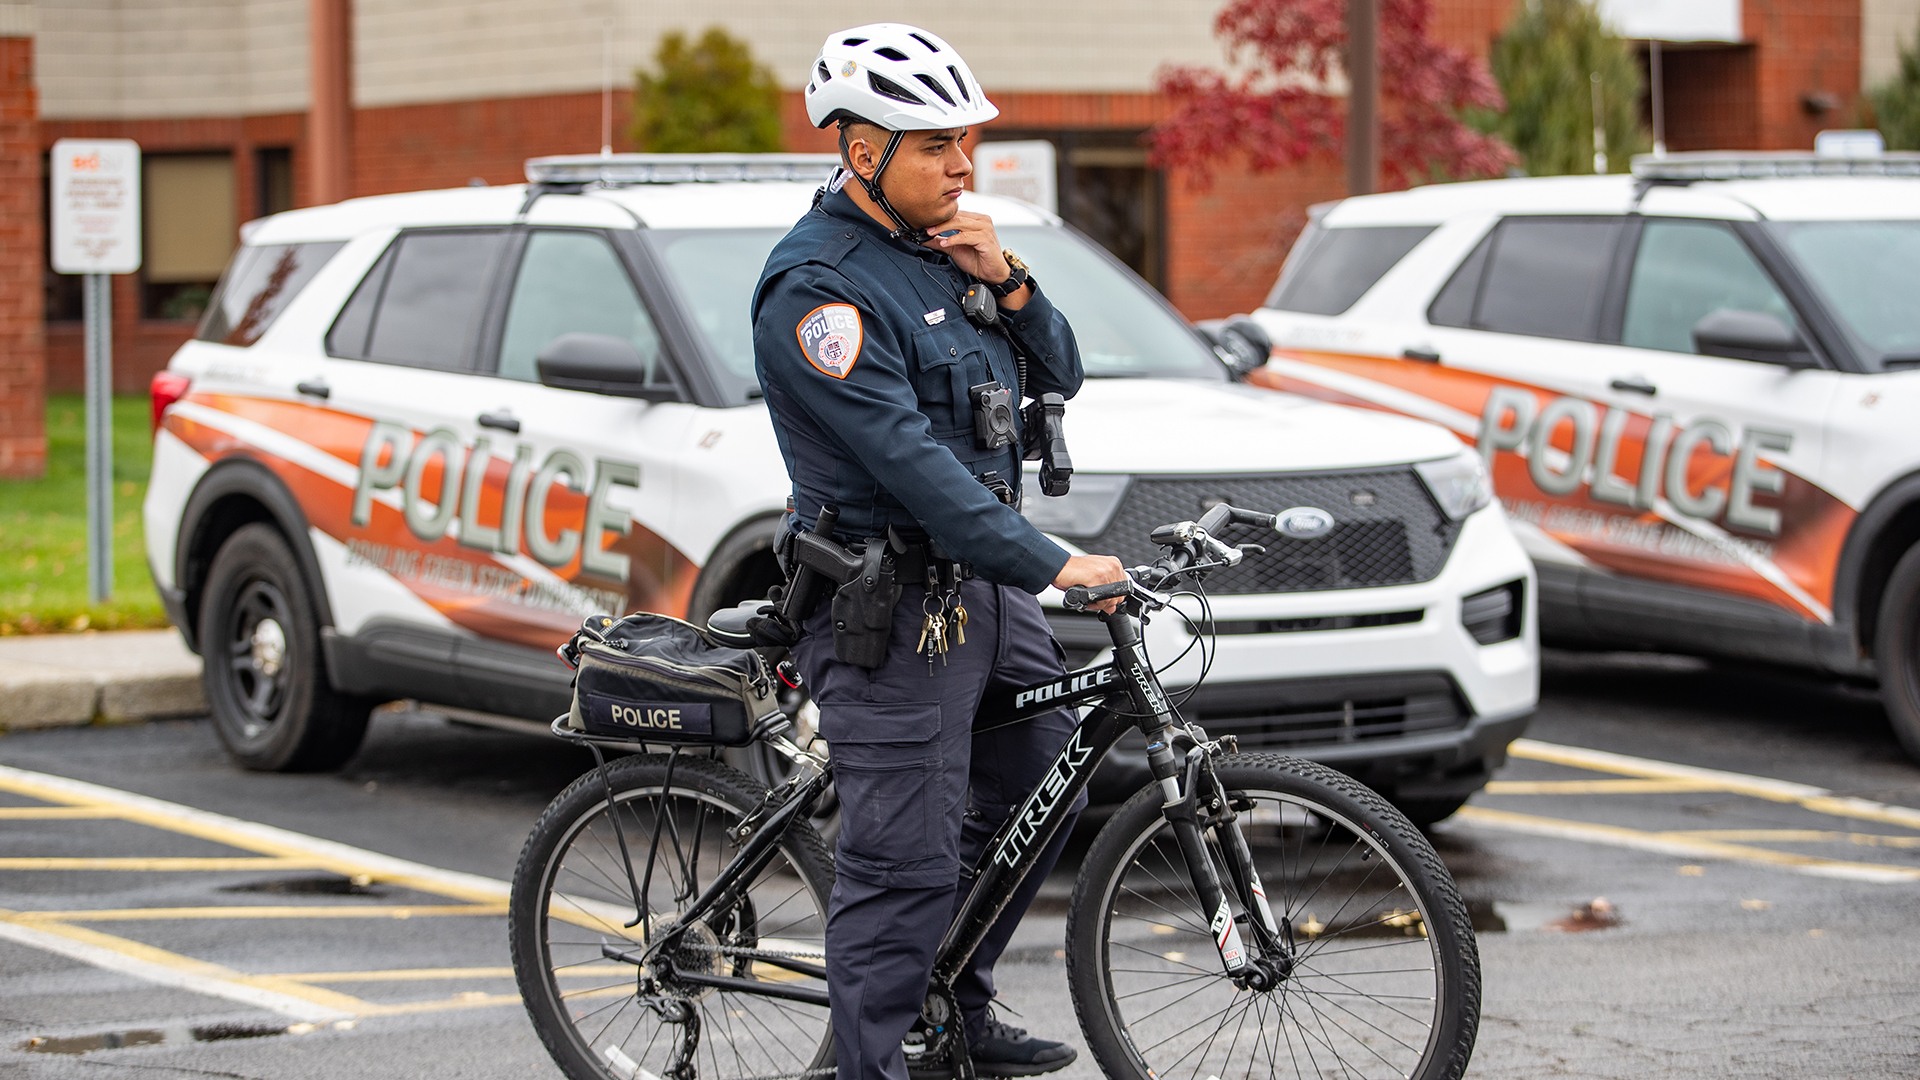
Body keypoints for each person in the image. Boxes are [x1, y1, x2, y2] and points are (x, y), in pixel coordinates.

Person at [749, 22, 1128, 1080]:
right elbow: (919, 471)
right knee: (902, 862)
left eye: (965, 141)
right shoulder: (818, 290)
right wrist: (1056, 563)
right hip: (888, 608)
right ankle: (868, 1063)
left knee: (1047, 788)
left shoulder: (944, 254)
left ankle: (952, 999)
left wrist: (1009, 280)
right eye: (934, 146)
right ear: (861, 152)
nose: (963, 164)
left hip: (981, 597)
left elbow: (1061, 373)